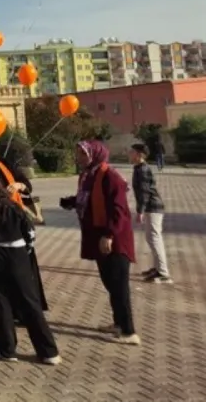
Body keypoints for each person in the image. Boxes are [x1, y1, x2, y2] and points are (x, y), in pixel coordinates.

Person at [0, 173, 60, 364]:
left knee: (1, 302)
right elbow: (30, 233)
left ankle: (7, 349)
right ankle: (48, 351)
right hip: (18, 255)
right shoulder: (13, 207)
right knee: (30, 301)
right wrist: (24, 250)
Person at [60, 140, 140, 345]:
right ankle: (119, 323)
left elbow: (119, 210)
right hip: (98, 237)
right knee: (110, 283)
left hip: (114, 240)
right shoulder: (89, 175)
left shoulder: (109, 176)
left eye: (83, 154)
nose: (79, 158)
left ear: (95, 155)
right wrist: (71, 202)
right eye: (78, 153)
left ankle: (129, 332)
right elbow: (86, 199)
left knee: (119, 285)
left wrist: (109, 235)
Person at [130, 143, 172, 284]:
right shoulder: (138, 168)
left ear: (140, 155)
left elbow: (145, 192)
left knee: (154, 238)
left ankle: (163, 273)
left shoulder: (143, 169)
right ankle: (157, 268)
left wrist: (140, 211)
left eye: (132, 152)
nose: (130, 154)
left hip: (153, 207)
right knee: (151, 238)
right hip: (150, 207)